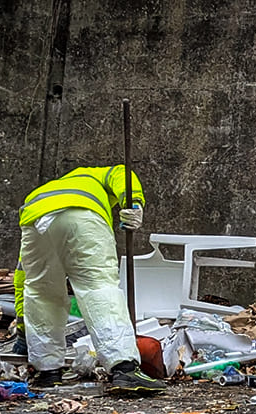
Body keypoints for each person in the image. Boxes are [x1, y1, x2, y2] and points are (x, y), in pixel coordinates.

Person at [16, 165, 165, 393]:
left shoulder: (46, 191)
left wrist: (22, 327)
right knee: (98, 287)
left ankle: (48, 372)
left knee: (41, 293)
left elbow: (22, 277)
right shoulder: (91, 175)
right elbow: (121, 173)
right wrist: (133, 202)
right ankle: (124, 369)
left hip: (33, 220)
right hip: (81, 215)